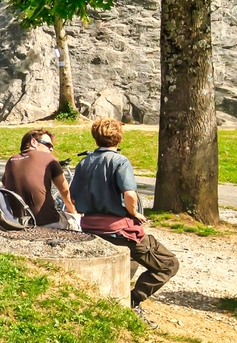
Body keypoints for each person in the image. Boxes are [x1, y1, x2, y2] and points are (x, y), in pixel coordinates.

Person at [70, 117, 179, 321]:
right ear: (119, 139)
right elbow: (129, 193)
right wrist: (135, 213)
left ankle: (110, 300)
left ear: (96, 139)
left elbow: (72, 197)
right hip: (119, 231)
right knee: (168, 264)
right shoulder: (120, 161)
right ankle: (131, 301)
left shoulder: (83, 162)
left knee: (130, 261)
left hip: (90, 228)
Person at [2, 128, 78, 228]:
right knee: (76, 222)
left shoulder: (11, 161)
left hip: (18, 223)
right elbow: (64, 190)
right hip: (47, 222)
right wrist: (74, 213)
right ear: (33, 142)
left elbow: (4, 189)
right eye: (48, 145)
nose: (51, 149)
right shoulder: (49, 159)